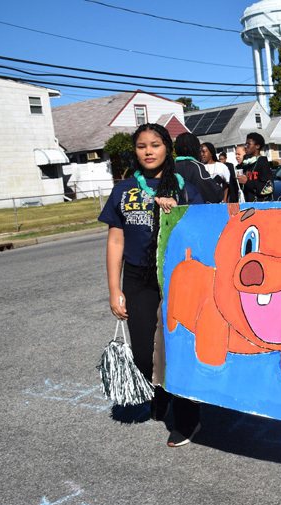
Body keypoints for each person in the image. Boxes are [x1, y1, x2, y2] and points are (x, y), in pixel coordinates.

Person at [98, 123, 204, 447]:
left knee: (177, 349)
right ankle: (160, 390)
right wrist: (114, 289)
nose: (148, 151)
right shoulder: (124, 189)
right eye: (142, 146)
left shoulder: (185, 186)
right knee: (144, 354)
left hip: (177, 277)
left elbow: (203, 232)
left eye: (155, 144)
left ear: (167, 148)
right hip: (138, 279)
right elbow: (115, 241)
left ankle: (188, 418)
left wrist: (179, 212)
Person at [174, 133, 224, 204]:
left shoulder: (172, 168)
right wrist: (216, 182)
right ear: (195, 148)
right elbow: (215, 194)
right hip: (196, 210)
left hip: (177, 212)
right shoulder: (196, 167)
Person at [237, 132, 274, 202]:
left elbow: (268, 188)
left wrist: (247, 182)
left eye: (248, 144)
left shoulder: (263, 163)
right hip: (247, 205)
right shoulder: (246, 164)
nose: (245, 147)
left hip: (260, 206)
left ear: (257, 146)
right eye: (245, 144)